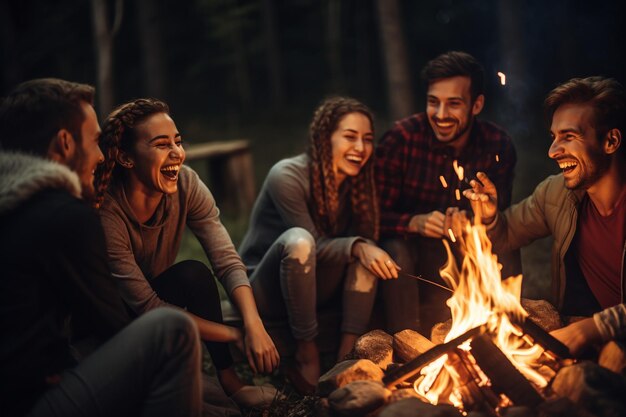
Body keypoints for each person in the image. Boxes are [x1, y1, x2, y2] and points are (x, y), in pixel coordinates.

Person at [0, 78, 203, 417]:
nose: (100, 155)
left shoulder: (13, 205)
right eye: (95, 141)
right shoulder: (61, 216)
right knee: (172, 331)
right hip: (29, 403)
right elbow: (114, 330)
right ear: (64, 143)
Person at [94, 98, 281, 409]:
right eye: (161, 144)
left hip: (154, 312)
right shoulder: (108, 212)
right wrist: (234, 336)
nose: (177, 154)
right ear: (126, 158)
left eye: (177, 142)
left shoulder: (187, 184)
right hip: (112, 319)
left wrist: (253, 323)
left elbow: (226, 258)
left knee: (193, 275)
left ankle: (230, 381)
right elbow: (147, 306)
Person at [238, 96, 400, 393]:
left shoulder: (357, 184)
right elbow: (311, 242)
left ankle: (346, 357)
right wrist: (358, 245)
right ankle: (306, 353)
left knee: (367, 255)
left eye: (367, 139)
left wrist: (363, 247)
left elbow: (350, 248)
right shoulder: (287, 175)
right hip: (265, 289)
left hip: (316, 286)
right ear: (325, 139)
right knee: (301, 241)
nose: (361, 148)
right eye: (350, 137)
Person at [464, 76, 625, 355]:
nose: (553, 151)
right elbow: (506, 235)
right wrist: (490, 216)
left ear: (610, 141)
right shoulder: (555, 193)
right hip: (587, 340)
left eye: (569, 137)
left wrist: (590, 329)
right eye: (554, 137)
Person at [375, 51, 519, 335]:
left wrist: (474, 220)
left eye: (453, 104)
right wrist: (413, 223)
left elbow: (501, 218)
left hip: (464, 251)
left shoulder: (497, 145)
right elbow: (370, 218)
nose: (440, 115)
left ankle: (502, 335)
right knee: (396, 251)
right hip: (410, 253)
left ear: (476, 105)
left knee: (506, 244)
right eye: (433, 102)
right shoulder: (401, 139)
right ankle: (407, 343)